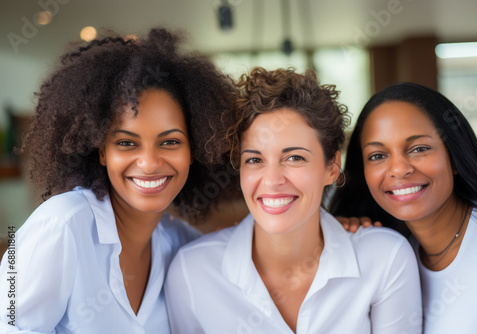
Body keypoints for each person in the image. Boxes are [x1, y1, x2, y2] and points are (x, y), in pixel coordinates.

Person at [0, 27, 238, 333]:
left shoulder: (181, 243)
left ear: (195, 150)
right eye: (126, 143)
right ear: (101, 151)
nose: (149, 163)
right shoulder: (61, 226)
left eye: (170, 142)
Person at [166, 67, 422, 333]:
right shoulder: (192, 271)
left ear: (332, 166)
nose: (272, 180)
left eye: (294, 157)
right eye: (254, 160)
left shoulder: (385, 258)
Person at [330, 82, 477, 333]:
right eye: (377, 155)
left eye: (419, 149)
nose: (399, 169)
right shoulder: (390, 257)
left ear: (454, 157)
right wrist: (341, 237)